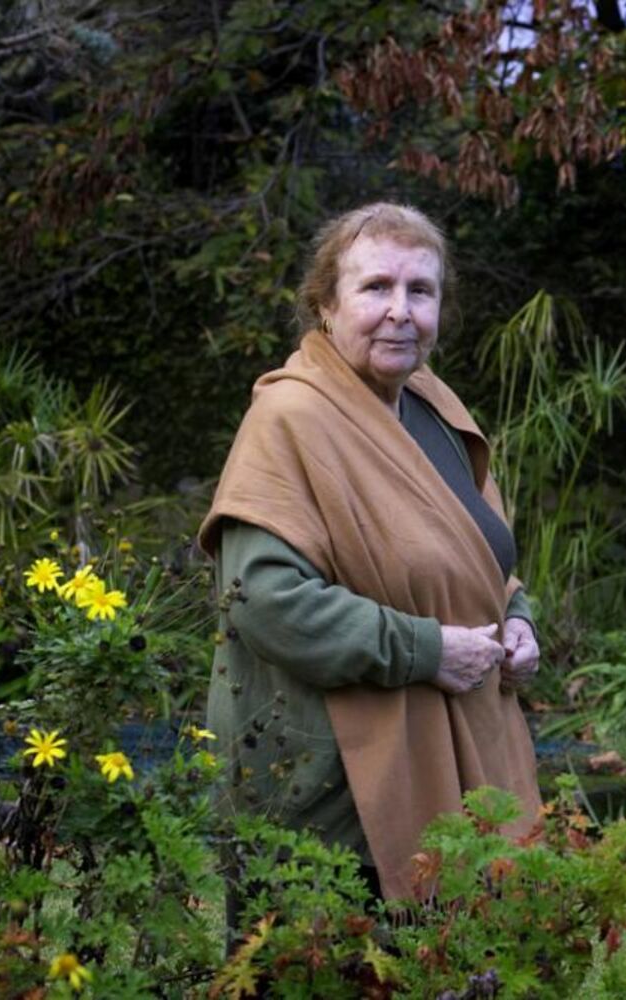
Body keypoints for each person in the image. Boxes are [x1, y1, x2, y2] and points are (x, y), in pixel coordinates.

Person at [197, 202, 542, 905]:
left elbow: (479, 559)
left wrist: (518, 620)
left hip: (462, 753)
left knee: (467, 949)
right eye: (376, 287)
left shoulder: (431, 408)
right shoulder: (289, 419)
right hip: (335, 787)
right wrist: (425, 649)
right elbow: (266, 602)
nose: (400, 312)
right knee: (340, 955)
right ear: (325, 304)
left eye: (421, 290)